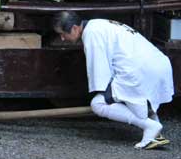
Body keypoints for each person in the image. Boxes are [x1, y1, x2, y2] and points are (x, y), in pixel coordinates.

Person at [52, 11, 174, 150]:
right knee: (139, 99)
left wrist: (104, 93)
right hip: (158, 63)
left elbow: (99, 70)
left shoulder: (92, 34)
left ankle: (150, 126)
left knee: (98, 104)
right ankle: (155, 135)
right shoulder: (98, 24)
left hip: (140, 70)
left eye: (62, 33)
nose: (62, 38)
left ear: (74, 28)